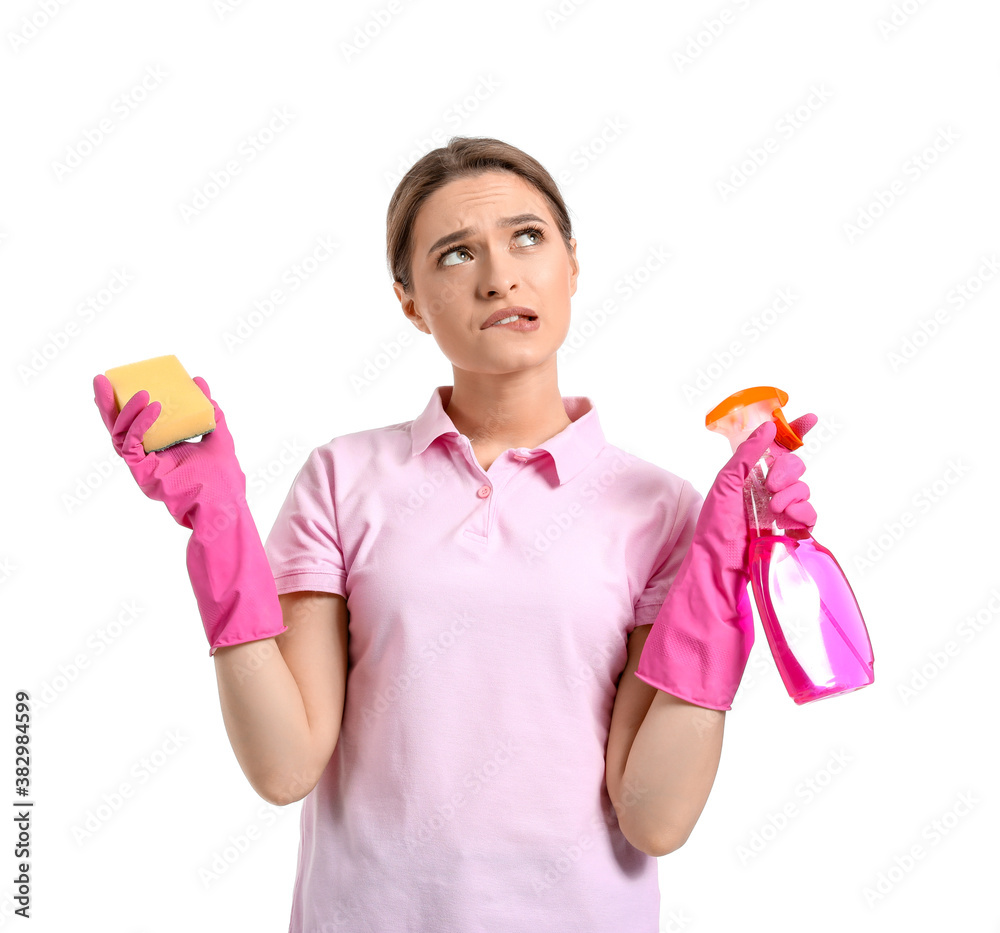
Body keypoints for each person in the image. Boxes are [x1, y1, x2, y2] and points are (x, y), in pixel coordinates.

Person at [92, 136, 817, 932]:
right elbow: (284, 761)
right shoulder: (342, 478)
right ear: (409, 301)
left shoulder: (661, 507)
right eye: (456, 253)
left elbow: (656, 816)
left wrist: (720, 578)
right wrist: (217, 526)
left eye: (528, 237)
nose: (500, 274)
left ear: (573, 264)